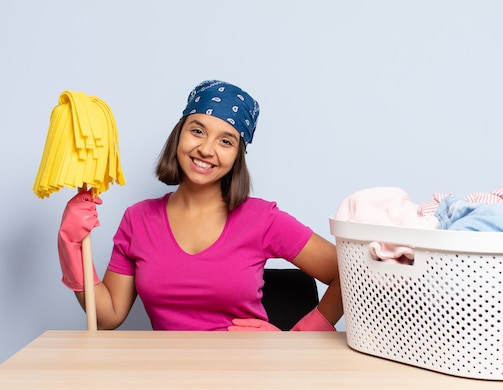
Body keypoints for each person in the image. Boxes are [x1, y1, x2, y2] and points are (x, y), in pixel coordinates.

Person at [57, 80, 343, 331]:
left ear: (237, 156)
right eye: (197, 131)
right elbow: (108, 317)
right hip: (170, 375)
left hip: (248, 375)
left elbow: (348, 273)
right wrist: (70, 244)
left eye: (226, 141)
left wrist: (297, 338)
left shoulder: (263, 219)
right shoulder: (138, 219)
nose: (206, 149)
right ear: (179, 134)